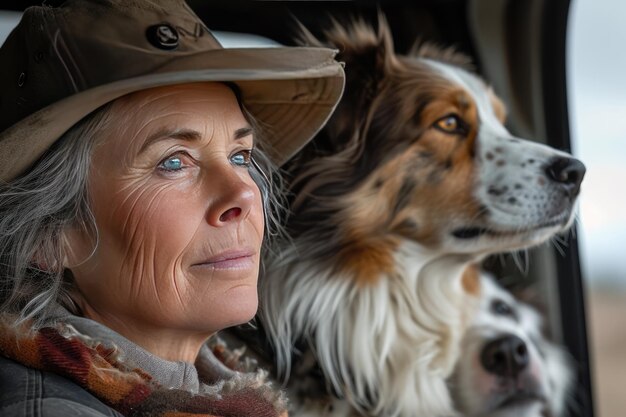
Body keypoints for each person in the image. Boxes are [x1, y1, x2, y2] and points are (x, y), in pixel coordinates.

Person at [0, 1, 344, 416]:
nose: (244, 195)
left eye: (240, 156)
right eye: (174, 162)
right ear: (49, 236)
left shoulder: (209, 389)